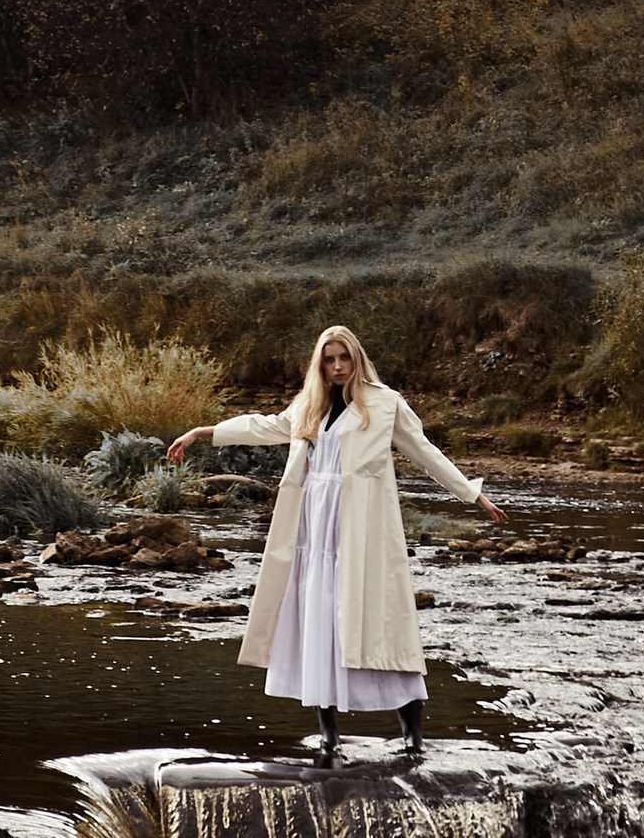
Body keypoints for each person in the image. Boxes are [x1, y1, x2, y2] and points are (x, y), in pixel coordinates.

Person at [167, 323, 506, 768]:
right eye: (330, 359)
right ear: (320, 364)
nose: (338, 366)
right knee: (318, 624)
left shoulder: (385, 404)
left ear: (358, 358)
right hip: (311, 530)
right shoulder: (310, 405)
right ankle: (328, 737)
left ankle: (413, 736)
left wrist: (471, 493)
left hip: (361, 532)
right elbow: (265, 426)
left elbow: (424, 452)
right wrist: (203, 431)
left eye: (344, 357)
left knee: (384, 623)